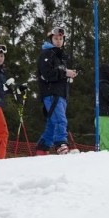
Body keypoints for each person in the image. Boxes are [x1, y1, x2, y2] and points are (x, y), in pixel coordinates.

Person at [35, 27, 78, 155]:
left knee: (52, 123)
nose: (58, 41)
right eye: (56, 39)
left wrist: (68, 76)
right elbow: (47, 73)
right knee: (60, 120)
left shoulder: (60, 56)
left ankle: (42, 148)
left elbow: (58, 74)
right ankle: (61, 145)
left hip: (61, 94)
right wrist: (65, 72)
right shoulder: (47, 54)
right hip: (51, 93)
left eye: (61, 39)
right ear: (51, 39)